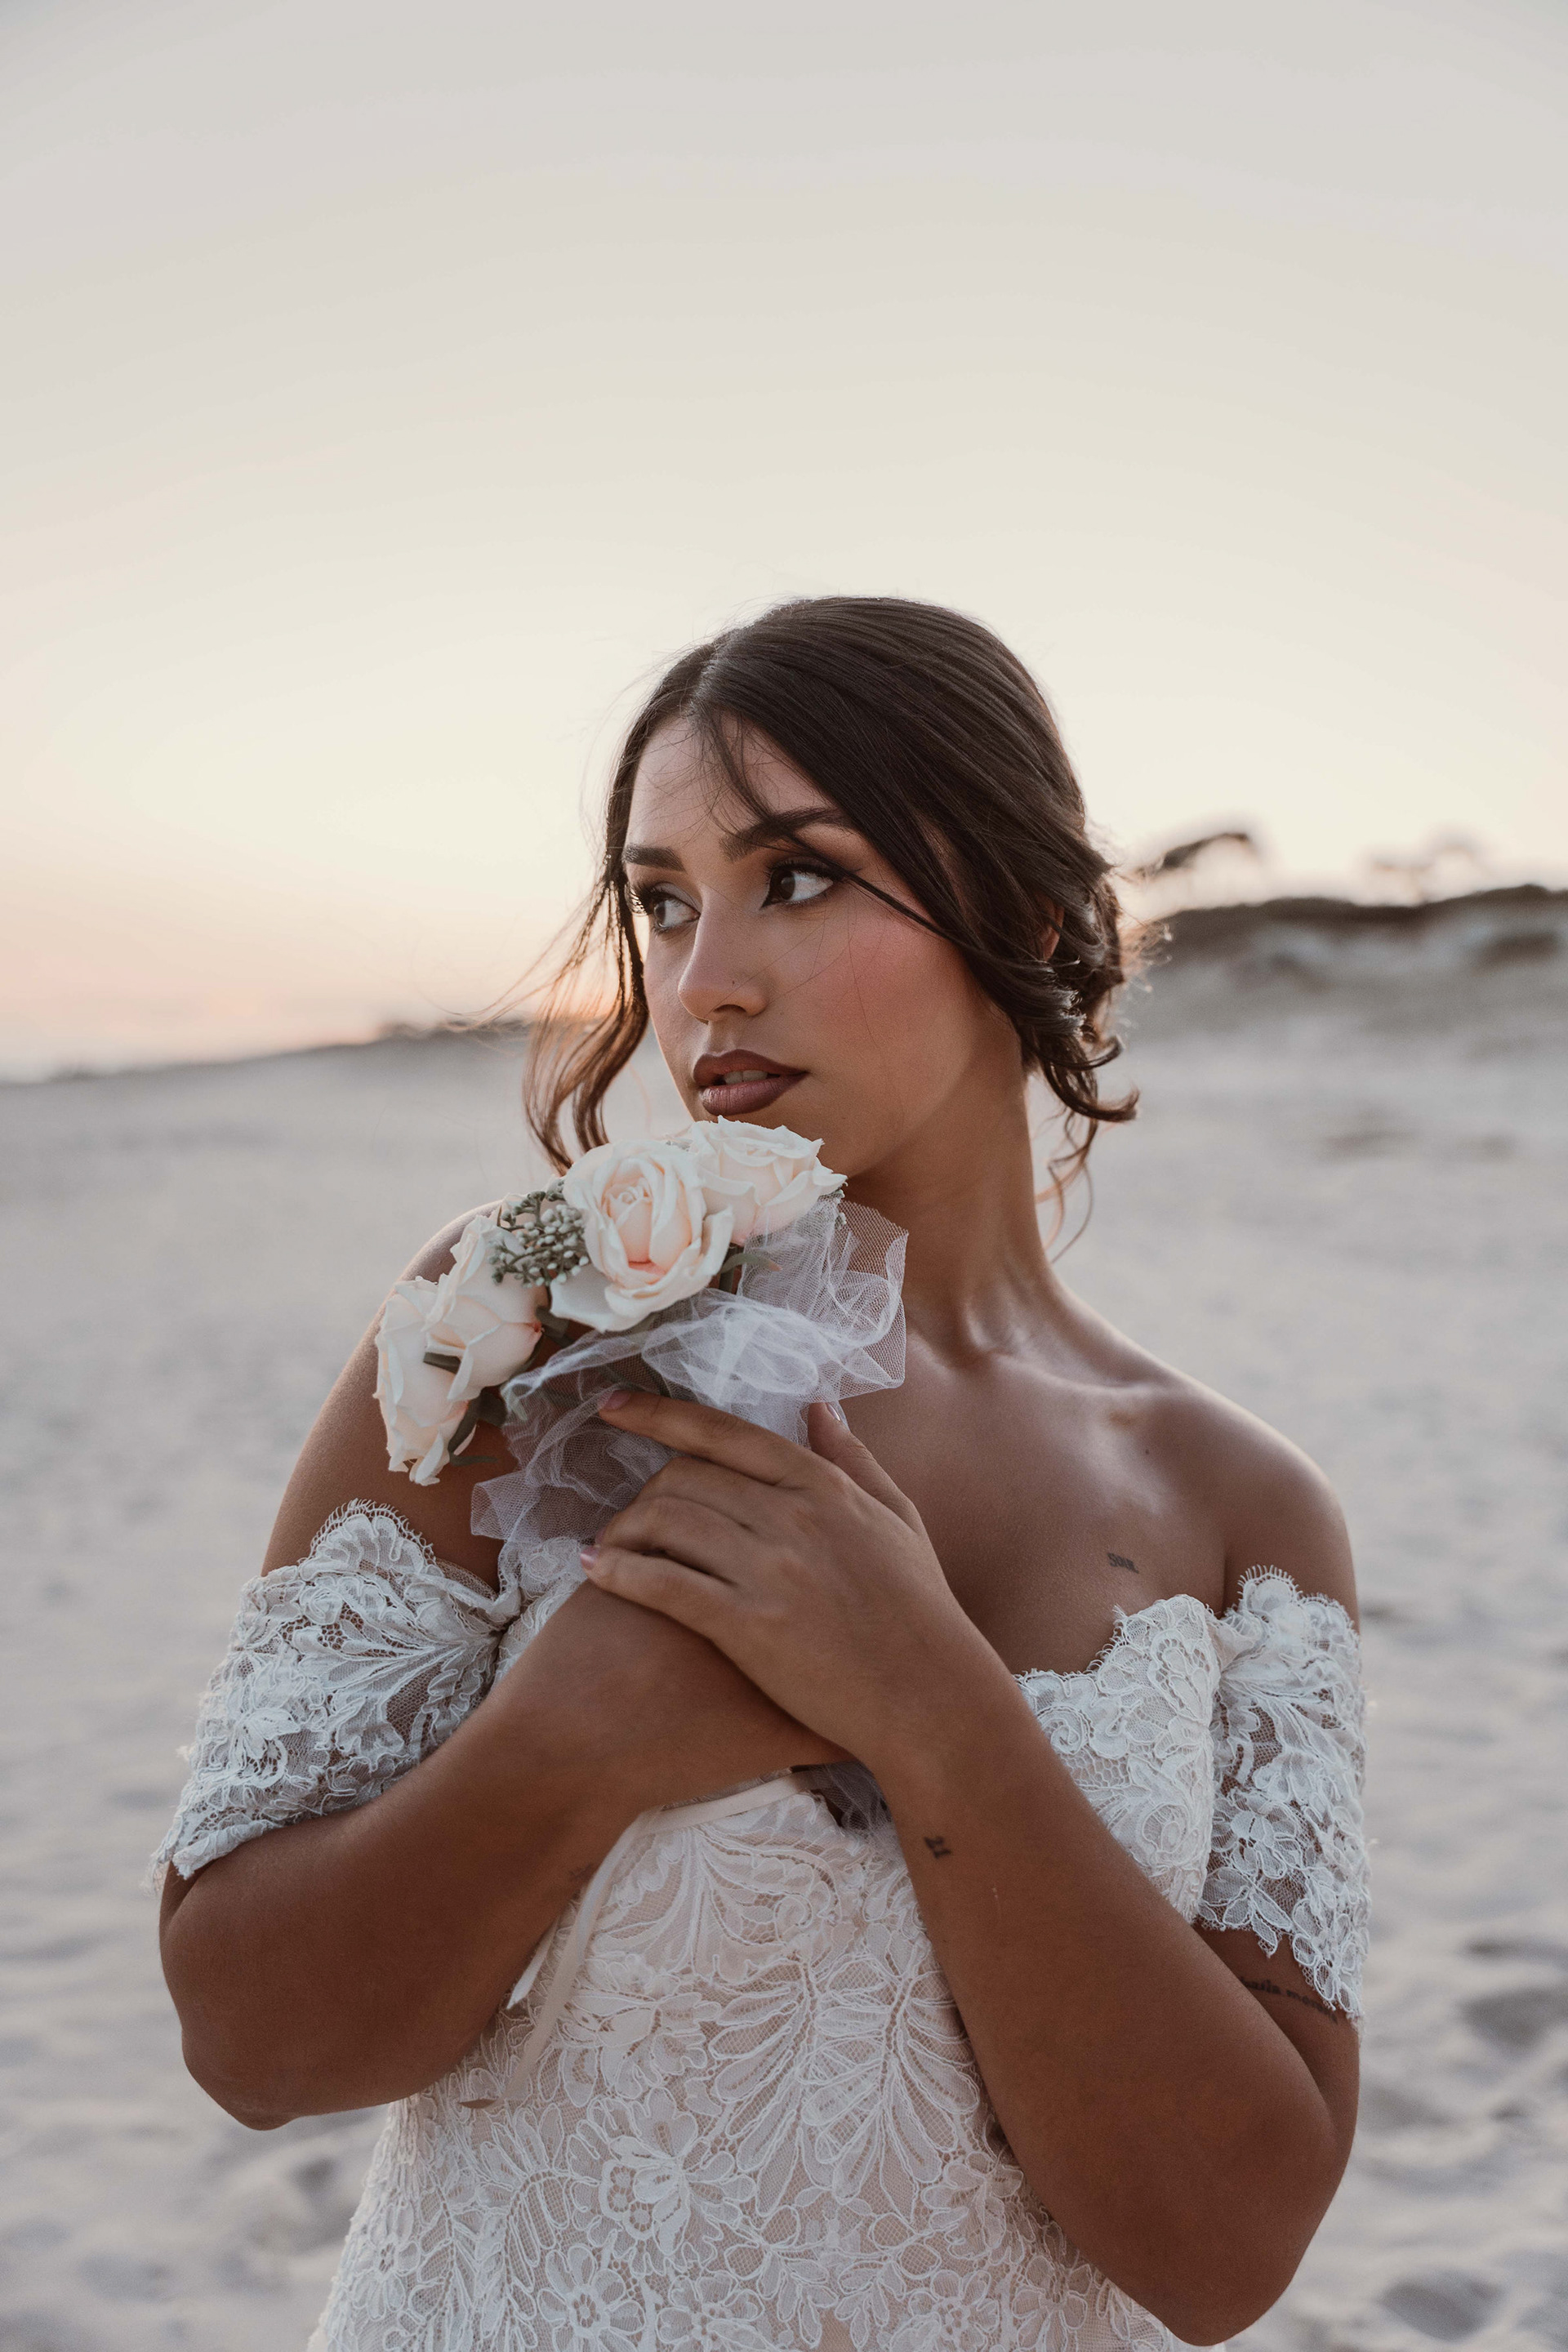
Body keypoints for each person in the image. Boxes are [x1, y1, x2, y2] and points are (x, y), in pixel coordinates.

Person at [156, 597, 1367, 2351]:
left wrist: (937, 1711)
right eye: (662, 902)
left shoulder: (1238, 1507)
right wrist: (572, 1738)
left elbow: (1226, 2252)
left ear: (1026, 911)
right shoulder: (514, 1339)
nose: (704, 977)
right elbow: (252, 2044)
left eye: (796, 876)